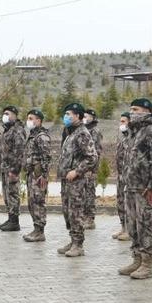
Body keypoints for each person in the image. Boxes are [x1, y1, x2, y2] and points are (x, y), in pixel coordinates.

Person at [117, 99, 152, 280]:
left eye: (135, 109)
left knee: (145, 225)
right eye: (130, 109)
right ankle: (137, 258)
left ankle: (147, 263)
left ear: (146, 111)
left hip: (145, 189)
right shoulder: (134, 132)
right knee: (133, 226)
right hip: (131, 187)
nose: (131, 112)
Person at [57, 103, 99, 257]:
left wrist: (77, 171)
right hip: (66, 180)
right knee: (68, 212)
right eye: (65, 114)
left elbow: (92, 157)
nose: (66, 117)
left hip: (76, 181)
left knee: (75, 211)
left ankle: (78, 244)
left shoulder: (82, 133)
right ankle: (73, 240)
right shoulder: (71, 132)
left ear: (78, 116)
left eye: (69, 114)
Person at [22, 109, 51, 242]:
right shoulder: (33, 135)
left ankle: (40, 231)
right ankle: (36, 229)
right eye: (28, 118)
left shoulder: (42, 137)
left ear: (38, 120)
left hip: (39, 176)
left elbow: (46, 158)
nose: (29, 121)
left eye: (31, 118)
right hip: (31, 174)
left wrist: (44, 175)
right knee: (32, 202)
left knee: (38, 202)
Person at [0, 106, 26, 232]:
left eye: (7, 113)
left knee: (13, 194)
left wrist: (15, 170)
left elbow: (19, 152)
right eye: (4, 113)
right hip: (5, 168)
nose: (5, 115)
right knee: (7, 194)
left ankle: (15, 222)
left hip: (12, 169)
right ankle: (10, 218)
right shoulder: (8, 130)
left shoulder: (17, 130)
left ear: (14, 115)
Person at [112, 112, 132, 242]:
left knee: (127, 203)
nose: (121, 124)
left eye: (123, 121)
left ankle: (129, 230)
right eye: (120, 121)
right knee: (120, 202)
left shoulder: (132, 138)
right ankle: (123, 227)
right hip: (121, 177)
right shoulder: (123, 138)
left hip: (129, 177)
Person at [83, 108, 103, 230]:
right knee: (83, 194)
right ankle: (84, 216)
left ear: (93, 118)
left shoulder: (95, 131)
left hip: (89, 168)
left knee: (89, 193)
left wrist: (93, 169)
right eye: (84, 116)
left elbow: (97, 151)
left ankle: (90, 219)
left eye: (87, 116)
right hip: (82, 167)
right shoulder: (84, 130)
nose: (85, 118)